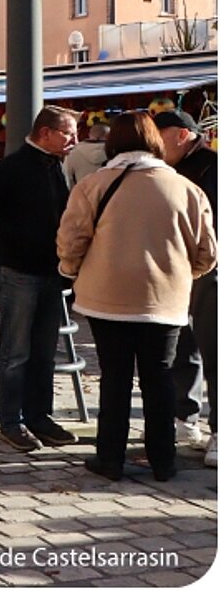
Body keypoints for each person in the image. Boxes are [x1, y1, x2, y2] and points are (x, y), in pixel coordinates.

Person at [57, 111, 216, 482]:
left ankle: (110, 458)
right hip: (165, 300)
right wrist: (178, 275)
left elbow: (71, 240)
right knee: (159, 377)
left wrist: (73, 270)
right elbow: (208, 253)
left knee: (115, 377)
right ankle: (164, 460)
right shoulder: (186, 189)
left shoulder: (94, 185)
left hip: (106, 297)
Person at [0, 106, 79, 453]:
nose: (74, 141)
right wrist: (12, 238)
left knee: (45, 351)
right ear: (45, 133)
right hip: (19, 271)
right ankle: (11, 421)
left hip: (51, 270)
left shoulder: (55, 165)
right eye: (67, 134)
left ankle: (39, 416)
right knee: (16, 351)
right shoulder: (13, 166)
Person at [155, 110, 219, 467]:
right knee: (181, 346)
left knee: (214, 350)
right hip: (175, 270)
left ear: (180, 135)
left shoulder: (212, 166)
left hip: (209, 270)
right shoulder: (167, 168)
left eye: (158, 136)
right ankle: (185, 417)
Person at [64, 122, 109, 186]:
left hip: (81, 193)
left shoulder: (73, 153)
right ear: (108, 135)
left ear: (89, 134)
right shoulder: (115, 152)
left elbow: (67, 178)